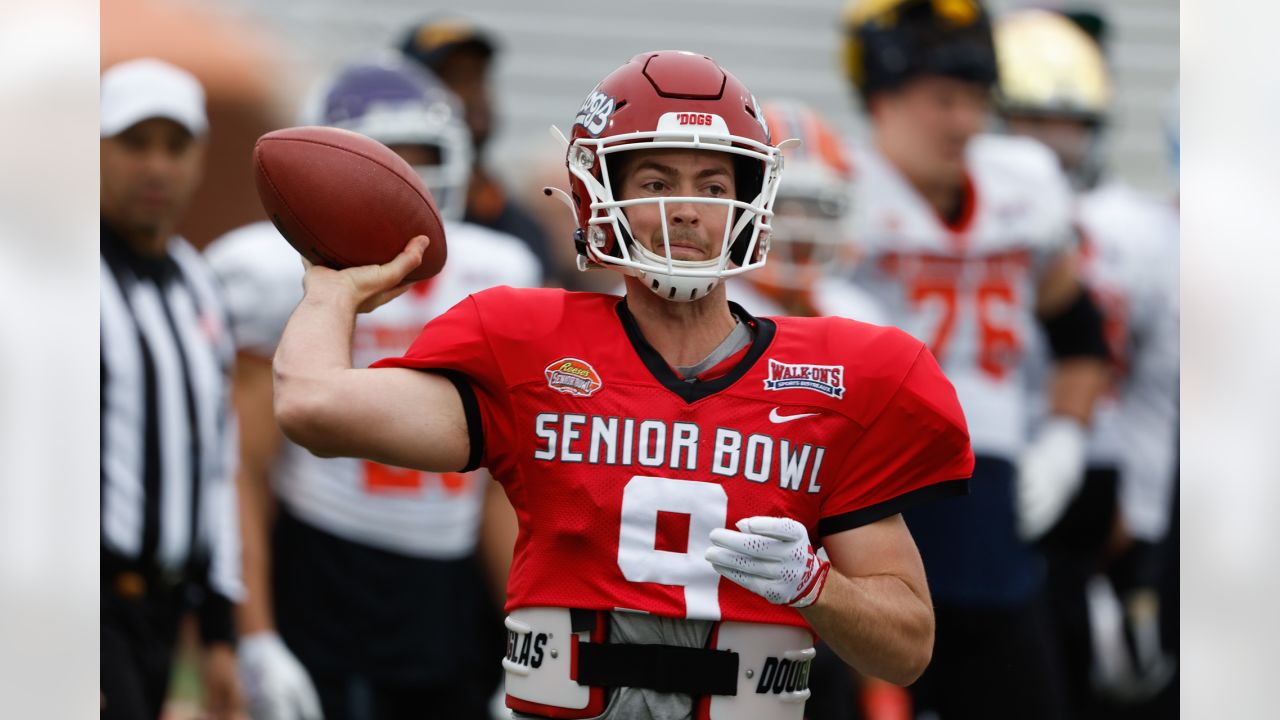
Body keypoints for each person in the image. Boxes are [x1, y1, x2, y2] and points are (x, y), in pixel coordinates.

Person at [271, 50, 975, 720]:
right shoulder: (528, 345)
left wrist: (814, 586)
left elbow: (908, 649)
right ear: (598, 194)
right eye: (657, 183)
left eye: (714, 185)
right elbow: (312, 405)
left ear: (752, 198)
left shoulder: (837, 376)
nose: (689, 210)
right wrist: (332, 292)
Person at [206, 55, 541, 720]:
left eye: (422, 157)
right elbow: (240, 468)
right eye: (388, 161)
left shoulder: (495, 270)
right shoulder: (274, 274)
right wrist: (256, 633)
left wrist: (528, 637)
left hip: (447, 589)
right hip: (326, 564)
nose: (408, 179)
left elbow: (505, 482)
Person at [840, 1, 1112, 717]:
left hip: (995, 491)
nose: (965, 122)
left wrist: (1066, 436)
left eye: (976, 101)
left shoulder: (1021, 184)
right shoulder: (837, 189)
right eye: (944, 100)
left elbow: (1080, 330)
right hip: (877, 494)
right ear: (882, 98)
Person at [994, 9, 1179, 717]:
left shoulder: (1147, 233)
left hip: (1101, 467)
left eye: (1063, 120)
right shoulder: (965, 212)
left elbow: (1157, 382)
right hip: (992, 455)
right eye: (1028, 118)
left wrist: (1142, 507)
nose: (1046, 140)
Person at [99, 57, 243, 720]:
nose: (155, 167)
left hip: (165, 611)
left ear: (199, 158)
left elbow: (216, 457)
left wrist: (220, 632)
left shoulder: (197, 281)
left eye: (174, 146)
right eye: (134, 144)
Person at [400, 16, 553, 274]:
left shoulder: (512, 219)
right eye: (453, 78)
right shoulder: (386, 207)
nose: (472, 92)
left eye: (478, 76)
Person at [727, 99, 886, 327]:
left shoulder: (855, 310)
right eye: (778, 204)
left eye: (814, 207)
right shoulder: (716, 312)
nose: (797, 225)